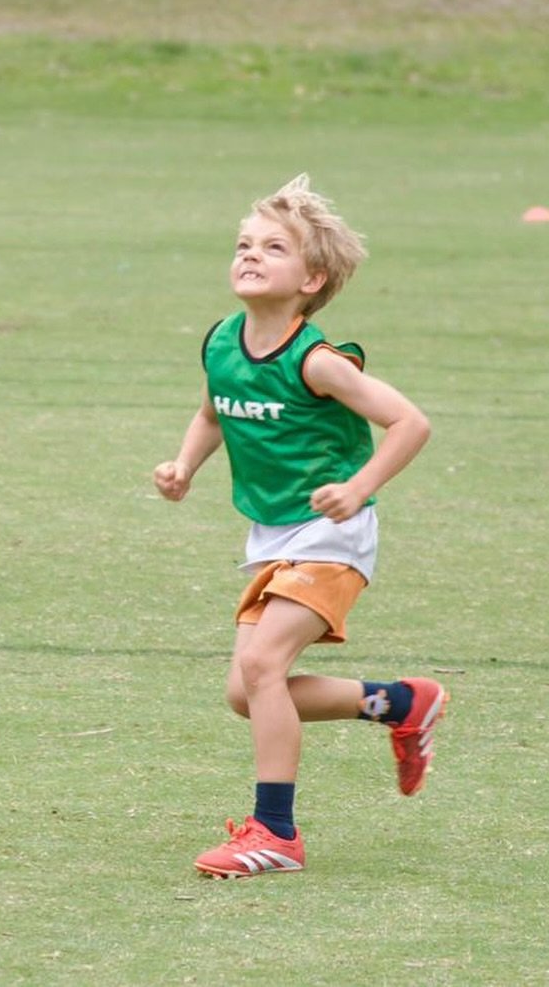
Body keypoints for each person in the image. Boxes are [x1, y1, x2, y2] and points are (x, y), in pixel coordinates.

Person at [153, 174, 441, 879]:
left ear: (311, 278)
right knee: (244, 691)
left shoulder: (316, 361)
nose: (250, 254)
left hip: (332, 537)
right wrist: (184, 464)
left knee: (260, 667)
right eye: (244, 243)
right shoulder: (222, 340)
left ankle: (275, 832)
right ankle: (402, 702)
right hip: (272, 536)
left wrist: (358, 485)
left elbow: (411, 421)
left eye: (273, 247)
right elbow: (212, 411)